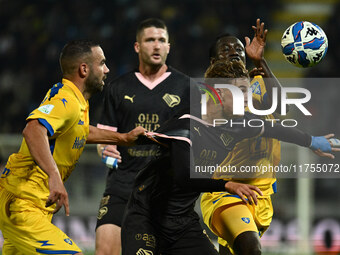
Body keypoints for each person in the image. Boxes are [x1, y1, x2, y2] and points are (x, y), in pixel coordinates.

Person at [121, 60, 339, 255]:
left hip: (182, 222)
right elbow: (183, 177)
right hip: (147, 216)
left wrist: (312, 142)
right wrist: (228, 185)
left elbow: (277, 130)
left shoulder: (239, 124)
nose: (247, 99)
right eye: (242, 91)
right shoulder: (186, 123)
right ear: (220, 92)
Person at [0, 40, 145, 255]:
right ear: (84, 69)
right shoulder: (66, 100)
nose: (107, 69)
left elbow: (81, 130)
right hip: (23, 203)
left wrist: (123, 138)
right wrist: (54, 175)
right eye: (102, 63)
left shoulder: (75, 101)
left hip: (32, 205)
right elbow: (33, 130)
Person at [94, 18, 200, 255]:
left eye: (161, 40)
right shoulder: (118, 87)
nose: (156, 45)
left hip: (164, 189)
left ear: (169, 47)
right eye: (150, 40)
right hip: (123, 184)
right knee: (105, 250)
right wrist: (105, 149)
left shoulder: (186, 87)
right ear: (137, 46)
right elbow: (104, 137)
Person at [201, 18, 285, 255]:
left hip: (260, 194)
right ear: (213, 61)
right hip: (226, 191)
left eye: (239, 48)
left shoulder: (256, 82)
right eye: (226, 49)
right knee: (251, 249)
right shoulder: (212, 94)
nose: (234, 52)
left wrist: (261, 62)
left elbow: (282, 107)